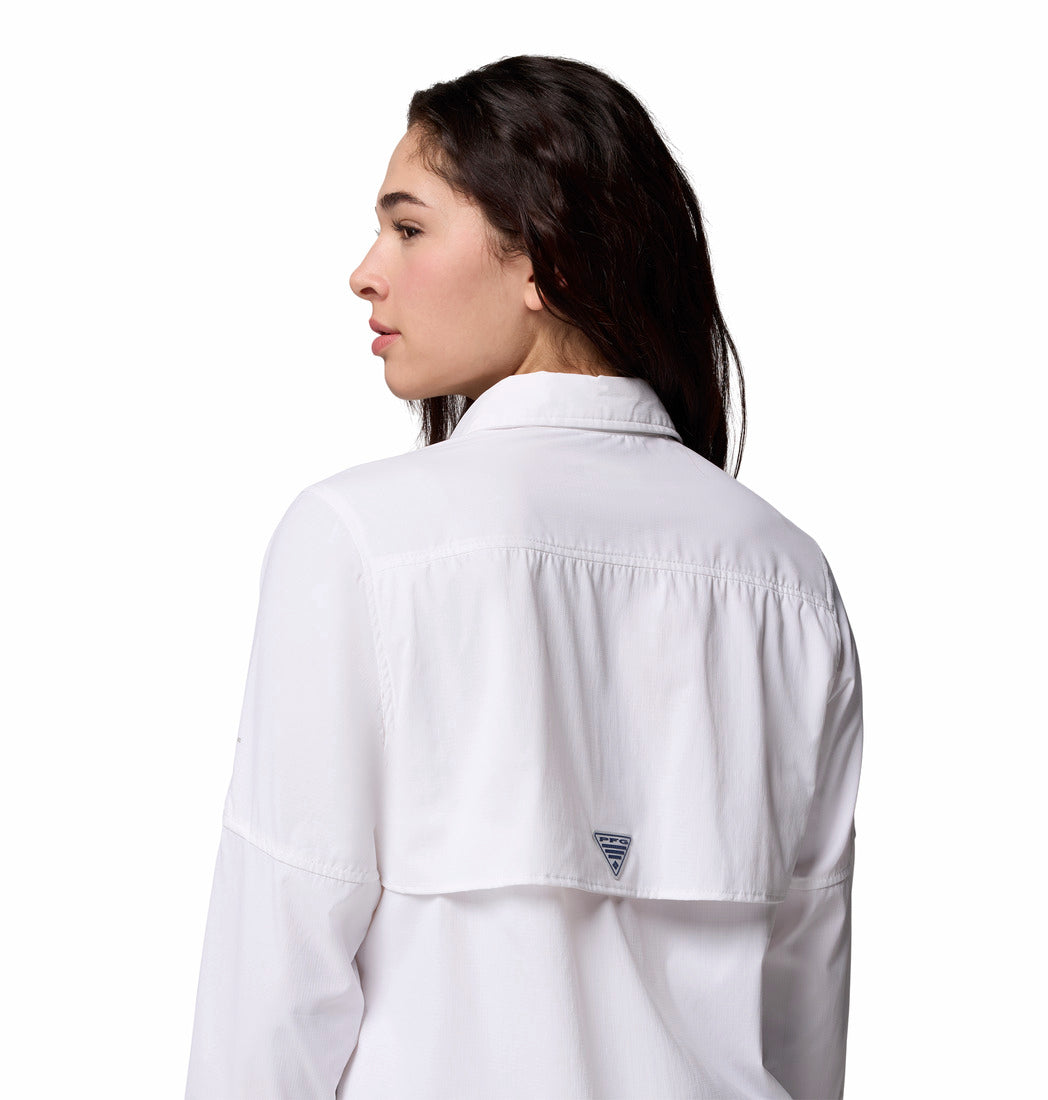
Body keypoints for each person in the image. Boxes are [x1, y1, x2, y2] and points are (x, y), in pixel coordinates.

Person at [184, 54, 864, 1100]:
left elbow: (274, 987)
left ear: (545, 258)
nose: (365, 271)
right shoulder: (789, 580)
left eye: (409, 228)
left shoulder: (358, 541)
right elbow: (802, 1014)